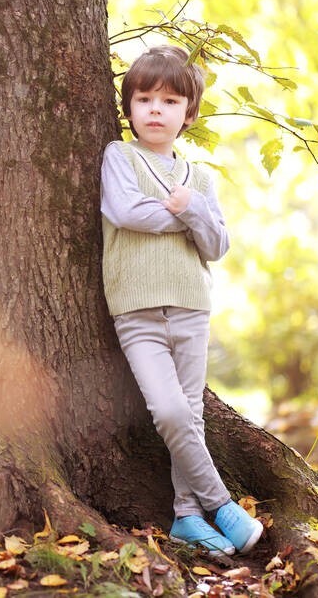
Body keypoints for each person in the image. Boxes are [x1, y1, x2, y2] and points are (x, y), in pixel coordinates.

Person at [100, 44, 263, 557]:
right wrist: (189, 221)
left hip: (191, 306)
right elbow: (128, 212)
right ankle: (222, 505)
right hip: (137, 307)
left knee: (190, 414)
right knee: (169, 411)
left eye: (169, 101)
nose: (155, 109)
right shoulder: (119, 156)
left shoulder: (201, 180)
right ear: (129, 107)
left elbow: (216, 245)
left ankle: (188, 517)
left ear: (187, 114)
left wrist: (194, 210)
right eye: (144, 98)